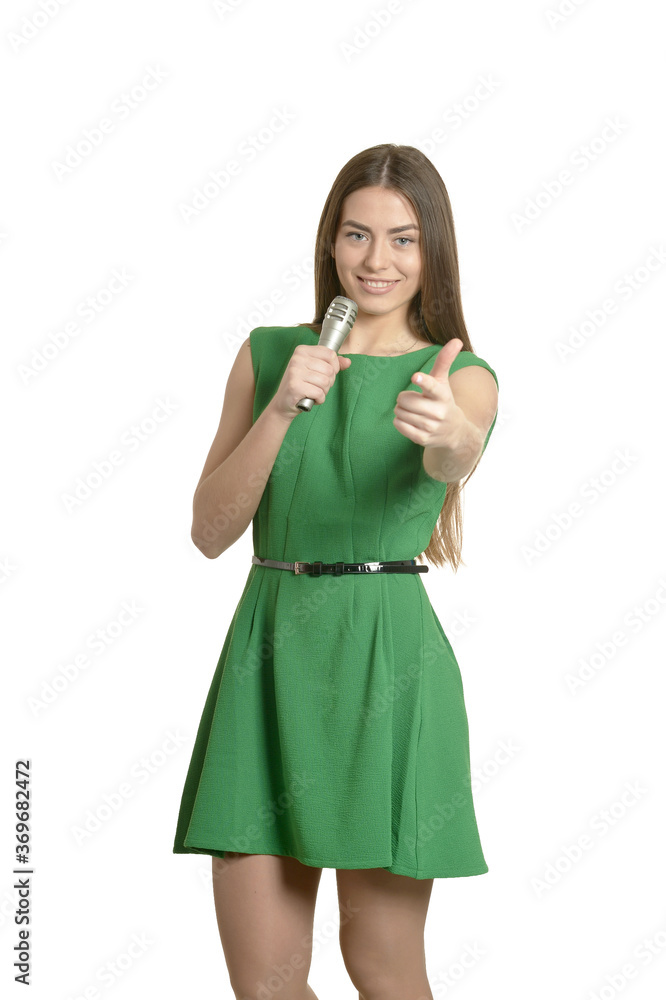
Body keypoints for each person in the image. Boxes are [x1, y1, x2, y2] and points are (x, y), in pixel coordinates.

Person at [173, 142, 499, 1000]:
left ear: (432, 250)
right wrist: (282, 408)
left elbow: (456, 454)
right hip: (268, 659)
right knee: (265, 985)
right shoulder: (267, 354)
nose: (376, 259)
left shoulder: (459, 376)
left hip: (385, 664)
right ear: (330, 242)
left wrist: (449, 435)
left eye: (403, 239)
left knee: (382, 967)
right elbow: (210, 532)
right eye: (358, 234)